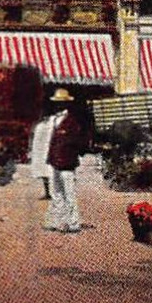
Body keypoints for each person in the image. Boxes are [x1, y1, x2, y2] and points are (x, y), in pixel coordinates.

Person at [43, 90, 85, 233]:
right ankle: (57, 220)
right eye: (56, 103)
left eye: (60, 103)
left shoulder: (72, 122)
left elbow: (77, 142)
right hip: (55, 161)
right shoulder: (53, 120)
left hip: (67, 163)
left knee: (69, 193)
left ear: (66, 103)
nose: (58, 105)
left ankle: (73, 222)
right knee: (56, 193)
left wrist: (70, 152)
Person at [28, 108, 57, 200]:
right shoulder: (39, 126)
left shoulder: (52, 124)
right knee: (45, 172)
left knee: (53, 172)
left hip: (49, 150)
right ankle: (48, 192)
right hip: (41, 151)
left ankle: (52, 192)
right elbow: (32, 137)